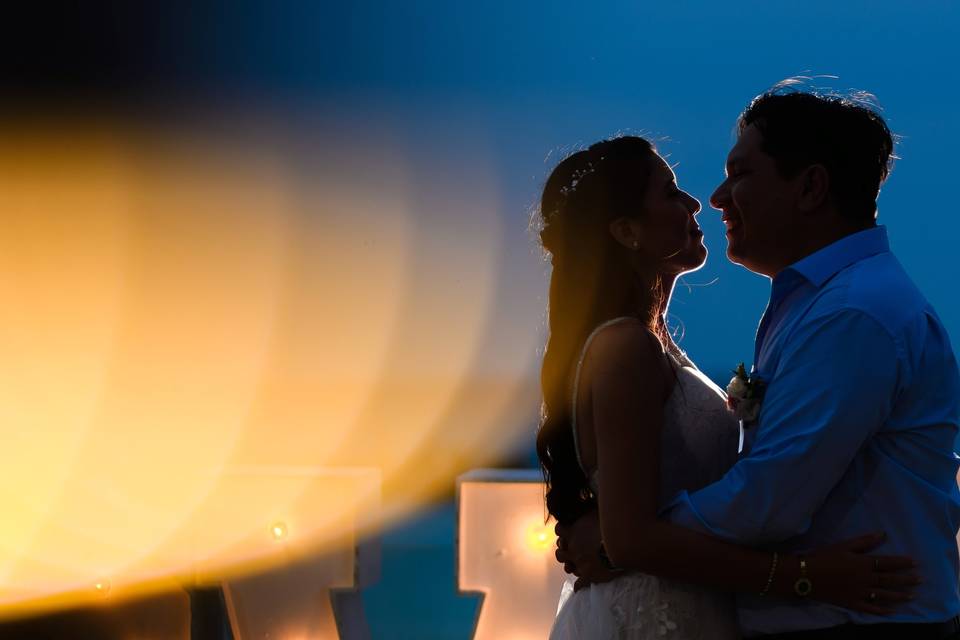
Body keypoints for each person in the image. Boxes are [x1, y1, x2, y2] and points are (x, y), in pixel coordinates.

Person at [553, 90, 960, 639]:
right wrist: (631, 539)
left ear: (811, 187)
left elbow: (769, 499)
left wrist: (621, 542)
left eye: (740, 173)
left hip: (858, 620)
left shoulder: (851, 313)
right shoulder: (817, 305)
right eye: (673, 192)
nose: (713, 199)